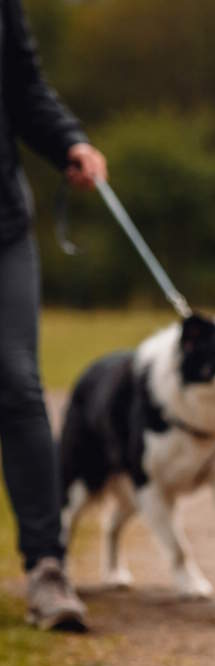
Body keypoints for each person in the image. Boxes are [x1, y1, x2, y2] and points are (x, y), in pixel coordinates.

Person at [0, 0, 107, 631]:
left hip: (2, 227)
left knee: (16, 380)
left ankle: (46, 568)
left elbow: (21, 84)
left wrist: (68, 140)